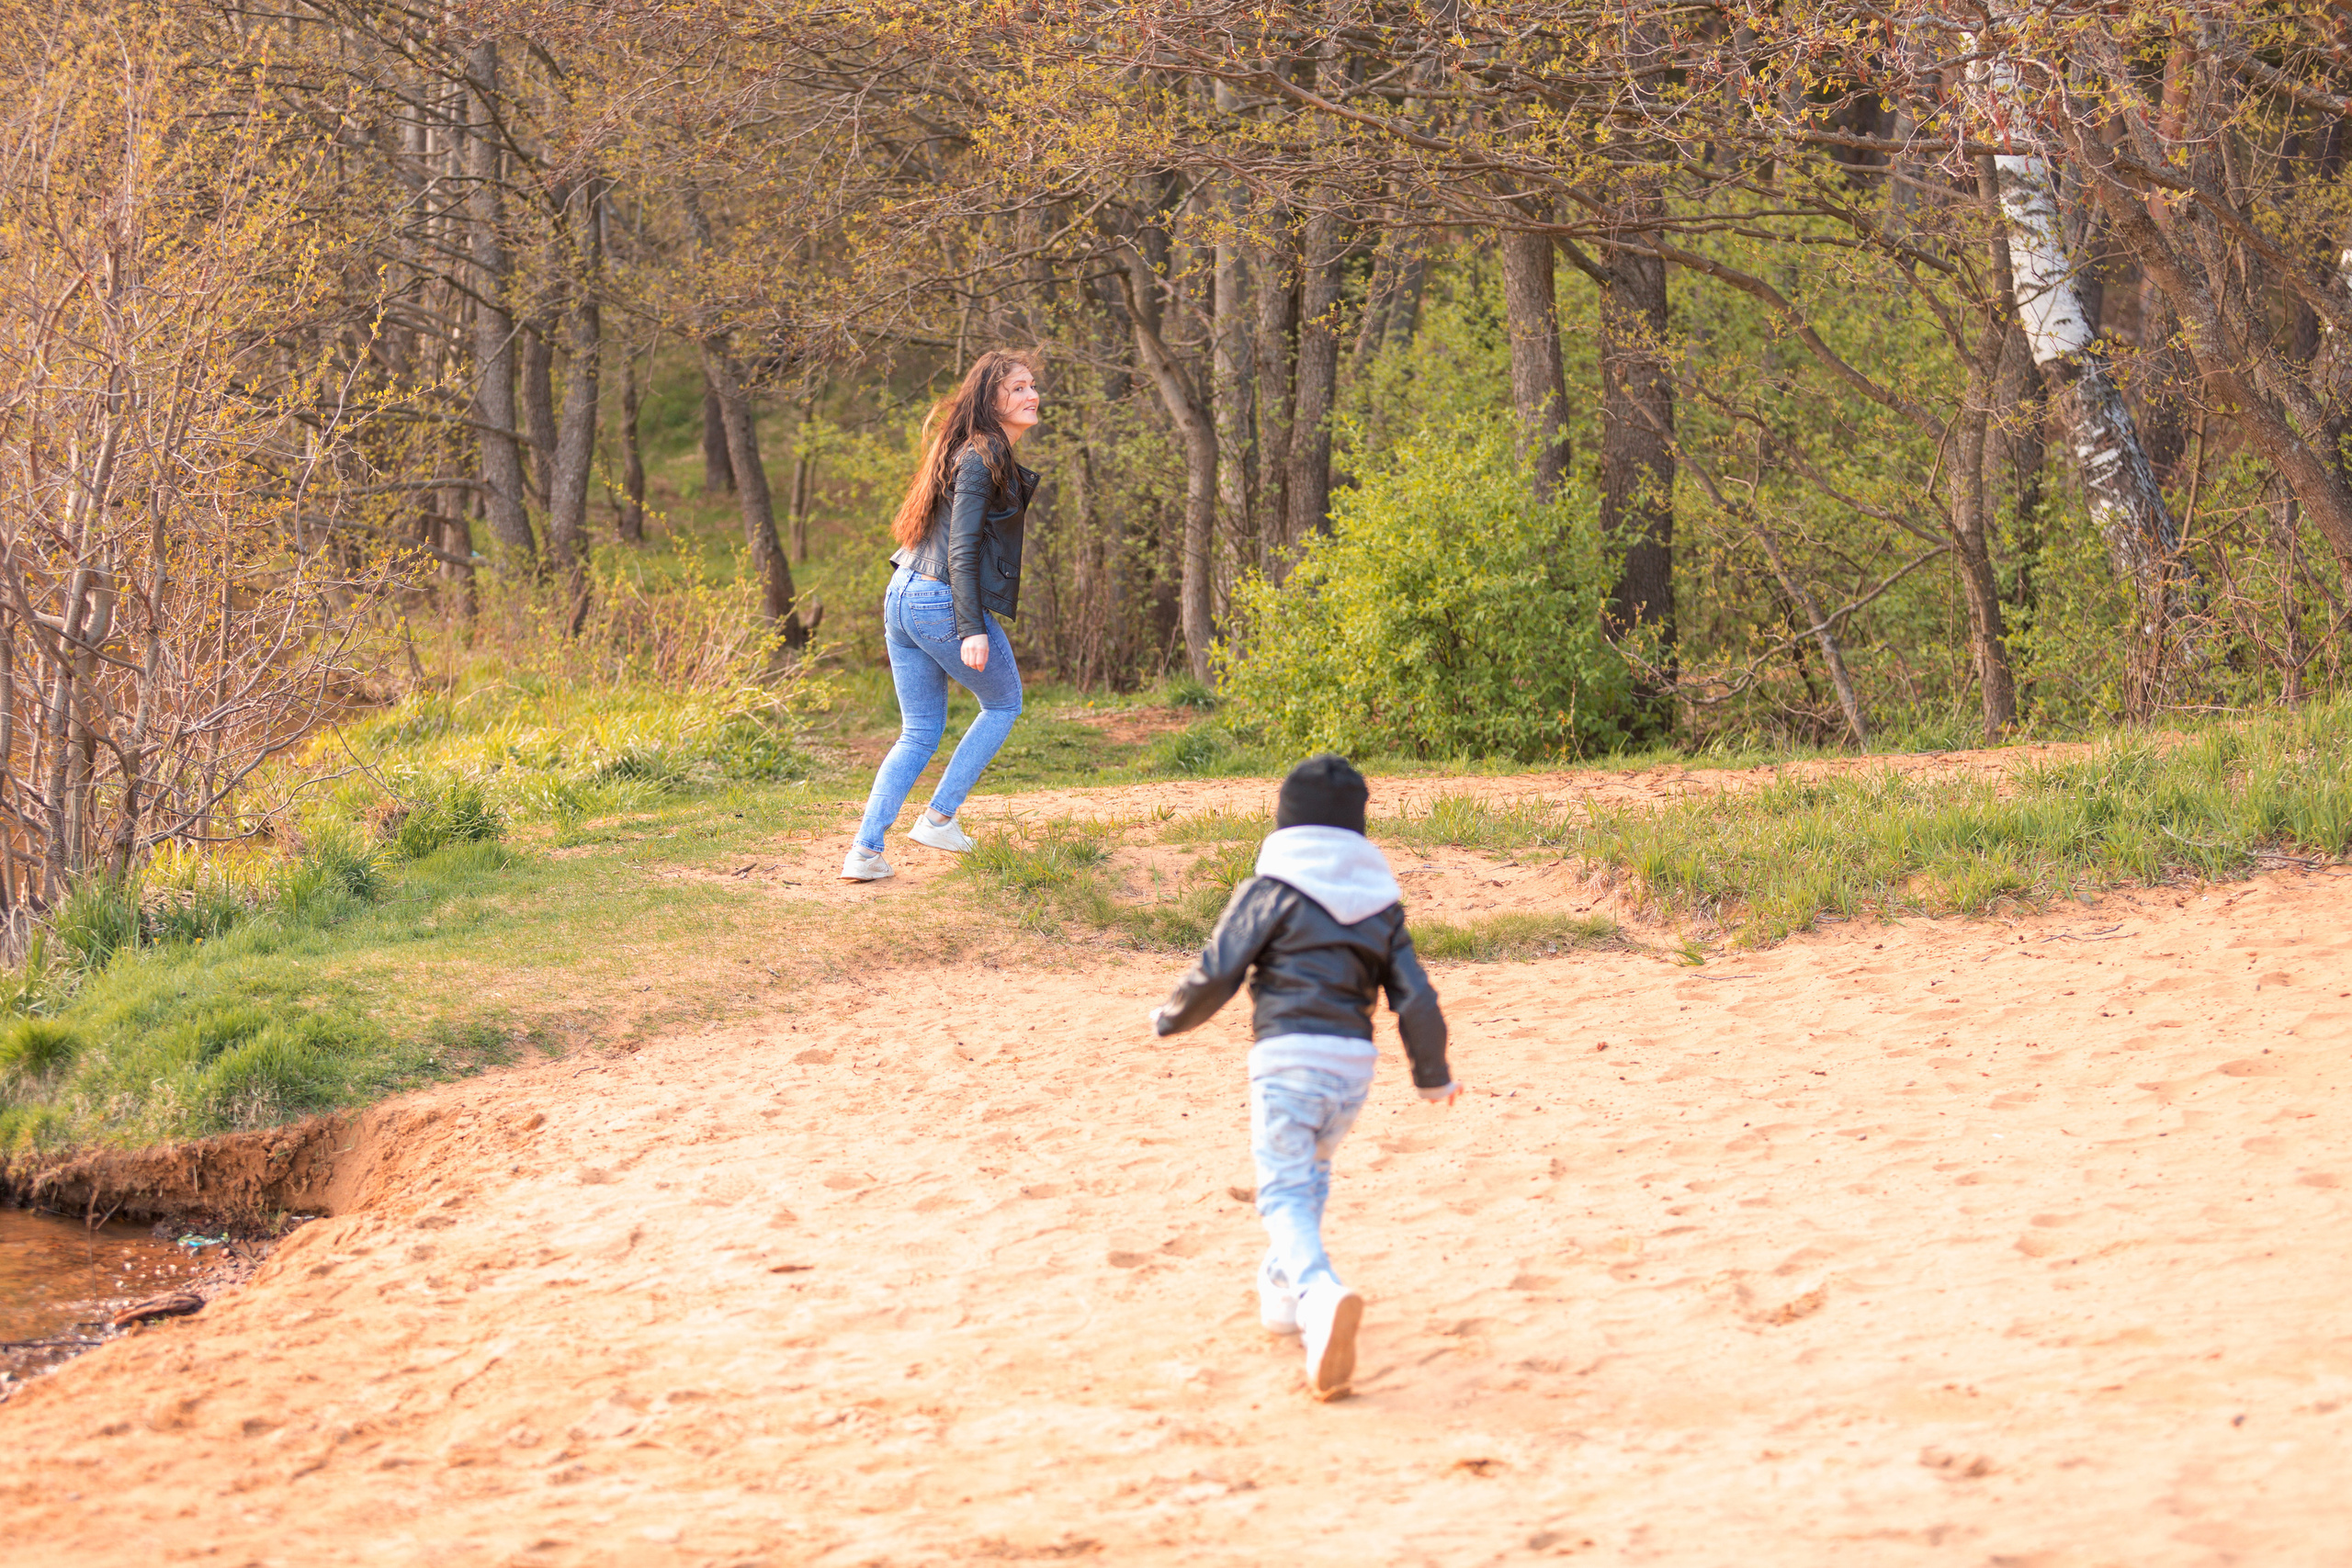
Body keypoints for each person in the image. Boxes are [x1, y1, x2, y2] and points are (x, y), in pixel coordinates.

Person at [1148, 754, 1460, 1401]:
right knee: (1308, 1174)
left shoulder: (1271, 890)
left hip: (1288, 1057)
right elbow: (1417, 998)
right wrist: (1432, 1076)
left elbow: (1218, 970)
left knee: (1283, 1192)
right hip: (1352, 1069)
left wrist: (1170, 1019)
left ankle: (1319, 1293)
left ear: (1286, 825)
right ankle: (1284, 1299)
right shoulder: (1380, 908)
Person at [843, 351, 1042, 882]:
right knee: (1004, 703)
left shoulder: (968, 449)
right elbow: (962, 545)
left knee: (919, 731)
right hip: (940, 600)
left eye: (1031, 386)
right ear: (991, 398)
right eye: (1019, 388)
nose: (1032, 395)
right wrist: (973, 627)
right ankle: (938, 818)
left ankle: (864, 854)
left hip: (904, 593)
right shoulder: (982, 456)